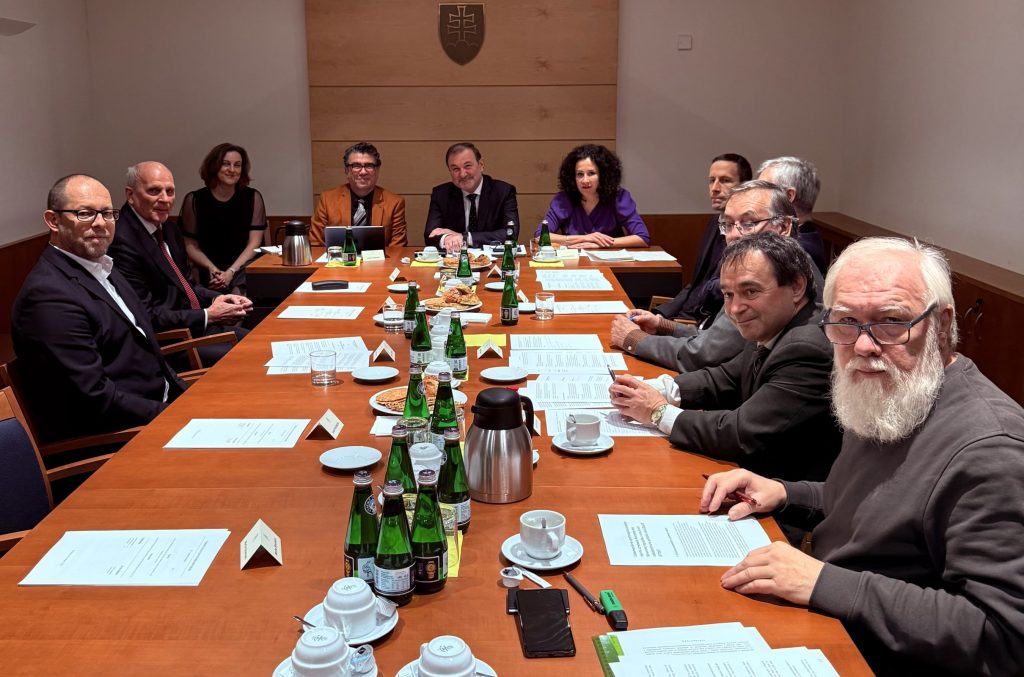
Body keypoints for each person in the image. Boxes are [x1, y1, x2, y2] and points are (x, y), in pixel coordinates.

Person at [702, 237, 1024, 675]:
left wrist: (823, 582)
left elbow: (1003, 635)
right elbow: (879, 503)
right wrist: (784, 492)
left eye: (891, 322)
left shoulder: (991, 450)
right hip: (831, 621)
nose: (863, 346)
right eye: (846, 321)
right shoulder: (893, 391)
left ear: (941, 324)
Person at [609, 232, 840, 488]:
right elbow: (725, 377)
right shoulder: (774, 321)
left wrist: (656, 411)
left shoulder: (807, 347)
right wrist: (657, 388)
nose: (734, 309)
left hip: (779, 493)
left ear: (796, 287)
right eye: (728, 295)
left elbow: (740, 433)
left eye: (750, 291)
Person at [11, 174, 185, 443]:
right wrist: (175, 416)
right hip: (118, 438)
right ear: (53, 220)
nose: (101, 223)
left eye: (107, 213)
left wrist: (187, 396)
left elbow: (150, 353)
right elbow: (95, 398)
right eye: (85, 213)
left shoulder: (103, 267)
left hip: (156, 409)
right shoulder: (47, 296)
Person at [611, 180, 821, 373]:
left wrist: (634, 339)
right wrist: (662, 325)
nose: (734, 235)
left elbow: (705, 355)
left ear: (784, 227)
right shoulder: (767, 263)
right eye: (728, 224)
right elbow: (717, 340)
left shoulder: (782, 273)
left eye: (749, 223)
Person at [109, 161, 251, 366]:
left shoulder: (169, 228)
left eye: (170, 191)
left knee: (260, 341)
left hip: (194, 327)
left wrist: (220, 298)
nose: (165, 199)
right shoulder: (121, 240)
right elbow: (146, 315)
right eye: (154, 191)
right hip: (167, 344)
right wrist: (208, 315)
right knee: (249, 358)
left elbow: (187, 285)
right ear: (130, 195)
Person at [652, 153, 752, 321]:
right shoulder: (714, 222)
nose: (715, 188)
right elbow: (696, 284)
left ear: (745, 187)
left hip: (705, 325)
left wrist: (669, 324)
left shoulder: (748, 233)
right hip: (684, 318)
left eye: (725, 180)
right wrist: (661, 314)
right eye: (711, 180)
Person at [180, 143, 267, 293]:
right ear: (214, 166)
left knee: (241, 284)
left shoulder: (252, 197)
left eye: (237, 165)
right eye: (226, 164)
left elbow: (254, 243)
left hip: (243, 266)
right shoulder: (194, 199)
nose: (232, 170)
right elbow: (190, 245)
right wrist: (212, 268)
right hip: (208, 268)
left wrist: (231, 272)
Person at [536, 144, 650, 249]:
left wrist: (600, 244)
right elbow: (540, 236)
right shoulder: (564, 199)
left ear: (603, 176)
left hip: (611, 260)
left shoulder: (618, 198)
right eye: (580, 174)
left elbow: (643, 238)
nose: (585, 180)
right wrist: (585, 238)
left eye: (591, 173)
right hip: (574, 261)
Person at [423, 142, 519, 252]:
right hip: (455, 259)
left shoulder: (503, 192)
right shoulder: (441, 194)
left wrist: (465, 237)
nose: (462, 174)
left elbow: (511, 233)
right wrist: (447, 238)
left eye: (467, 166)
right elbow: (430, 234)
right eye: (455, 169)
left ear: (481, 165)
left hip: (493, 259)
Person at [310, 141, 407, 248]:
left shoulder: (395, 203)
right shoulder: (328, 199)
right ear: (347, 170)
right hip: (338, 258)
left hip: (379, 259)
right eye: (356, 166)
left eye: (369, 166)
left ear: (377, 170)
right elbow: (316, 243)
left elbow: (398, 248)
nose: (363, 172)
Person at [756, 156, 826, 273]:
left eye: (762, 189)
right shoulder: (803, 235)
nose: (755, 196)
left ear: (788, 196)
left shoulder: (798, 252)